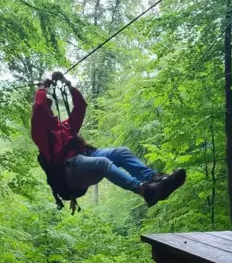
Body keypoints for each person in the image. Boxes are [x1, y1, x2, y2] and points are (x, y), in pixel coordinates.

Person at [31, 71, 186, 207]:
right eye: (47, 106)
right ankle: (143, 190)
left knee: (121, 152)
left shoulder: (66, 126)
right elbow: (38, 108)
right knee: (103, 163)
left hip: (86, 158)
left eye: (49, 106)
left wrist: (67, 83)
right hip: (69, 172)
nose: (48, 109)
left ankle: (155, 180)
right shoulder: (40, 134)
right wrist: (42, 87)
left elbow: (80, 106)